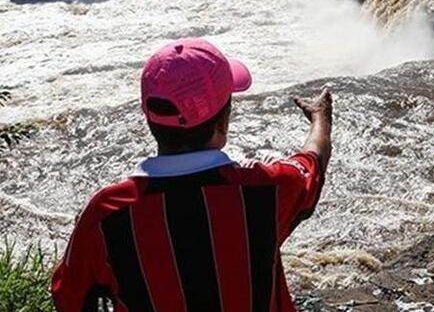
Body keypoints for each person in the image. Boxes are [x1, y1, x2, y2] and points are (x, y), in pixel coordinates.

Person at [51, 38, 332, 312]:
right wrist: (320, 119)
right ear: (223, 123)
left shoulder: (105, 213)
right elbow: (312, 163)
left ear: (149, 117)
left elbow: (69, 296)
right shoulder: (265, 190)